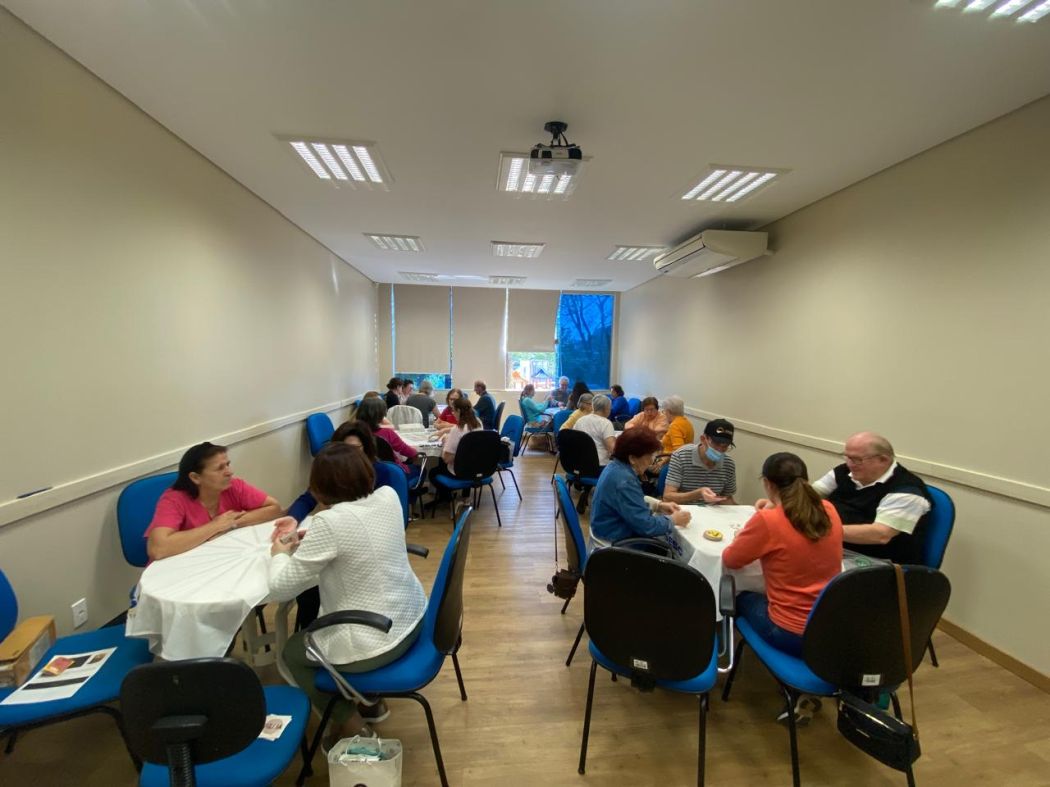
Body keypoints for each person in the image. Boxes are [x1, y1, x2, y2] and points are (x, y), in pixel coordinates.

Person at [269, 444, 426, 739]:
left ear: (320, 487)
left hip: (377, 640)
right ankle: (372, 704)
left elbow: (280, 587)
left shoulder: (330, 523)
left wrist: (279, 554)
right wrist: (316, 538)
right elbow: (359, 531)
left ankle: (351, 725)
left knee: (291, 653)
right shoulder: (388, 495)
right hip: (412, 619)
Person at [723, 453, 843, 660]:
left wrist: (744, 536)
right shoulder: (829, 509)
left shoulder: (769, 520)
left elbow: (731, 560)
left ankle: (729, 652)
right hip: (827, 628)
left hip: (789, 632)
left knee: (735, 592)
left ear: (767, 483)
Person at [286, 420, 379, 631]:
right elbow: (307, 498)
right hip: (339, 547)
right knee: (309, 588)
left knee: (310, 582)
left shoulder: (381, 478)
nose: (347, 457)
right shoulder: (335, 477)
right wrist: (293, 519)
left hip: (363, 565)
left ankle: (313, 634)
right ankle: (309, 630)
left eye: (355, 450)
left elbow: (281, 586)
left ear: (366, 449)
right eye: (342, 450)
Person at [805, 432, 932, 564]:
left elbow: (880, 535)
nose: (849, 464)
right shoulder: (844, 471)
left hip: (876, 561)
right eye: (847, 457)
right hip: (836, 546)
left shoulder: (908, 491)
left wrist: (821, 530)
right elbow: (808, 497)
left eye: (857, 459)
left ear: (883, 460)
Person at [145, 442, 282, 561]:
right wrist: (215, 526)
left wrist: (232, 523)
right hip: (179, 566)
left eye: (228, 464)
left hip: (216, 556)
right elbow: (158, 549)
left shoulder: (233, 486)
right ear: (195, 478)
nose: (230, 472)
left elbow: (275, 509)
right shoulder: (174, 499)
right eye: (220, 468)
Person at [588, 427, 691, 550]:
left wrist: (658, 505)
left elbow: (629, 501)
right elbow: (646, 526)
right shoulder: (624, 480)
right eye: (649, 456)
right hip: (616, 546)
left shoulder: (615, 467)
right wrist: (673, 520)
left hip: (609, 534)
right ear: (632, 458)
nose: (651, 462)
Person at [663, 418, 738, 505]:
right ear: (703, 439)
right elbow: (667, 497)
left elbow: (727, 498)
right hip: (682, 510)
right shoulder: (681, 456)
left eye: (725, 446)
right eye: (716, 444)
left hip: (711, 511)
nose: (720, 450)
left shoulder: (728, 464)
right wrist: (697, 494)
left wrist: (743, 510)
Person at [354, 398, 422, 484]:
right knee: (420, 470)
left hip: (364, 475)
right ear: (380, 415)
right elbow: (406, 450)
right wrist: (415, 452)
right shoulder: (387, 433)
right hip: (391, 474)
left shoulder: (354, 433)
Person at [430, 397, 483, 487]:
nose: (452, 413)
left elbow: (447, 459)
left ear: (458, 411)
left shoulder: (457, 430)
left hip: (460, 472)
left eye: (453, 411)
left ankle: (447, 495)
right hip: (477, 469)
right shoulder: (478, 423)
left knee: (433, 473)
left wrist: (446, 441)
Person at [571, 394, 617, 467]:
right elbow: (612, 449)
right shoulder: (606, 423)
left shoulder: (580, 420)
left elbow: (573, 441)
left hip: (580, 463)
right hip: (599, 465)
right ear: (606, 409)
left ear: (593, 406)